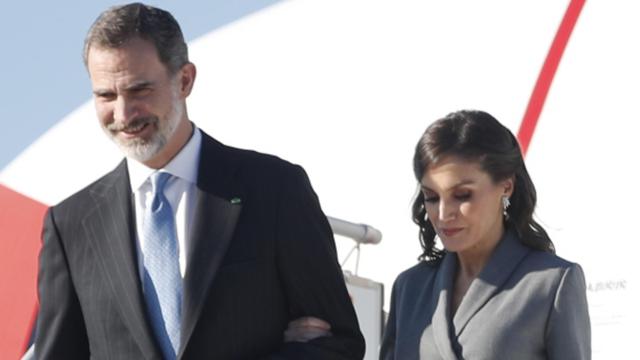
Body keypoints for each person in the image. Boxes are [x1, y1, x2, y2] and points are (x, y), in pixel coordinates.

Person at [35, 3, 364, 359]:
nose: (124, 114)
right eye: (106, 96)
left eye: (140, 90)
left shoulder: (275, 189)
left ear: (185, 80)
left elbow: (339, 343)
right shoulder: (71, 226)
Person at [380, 110, 591, 359]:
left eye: (462, 195)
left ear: (506, 186)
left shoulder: (552, 283)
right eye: (432, 197)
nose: (444, 214)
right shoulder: (409, 288)